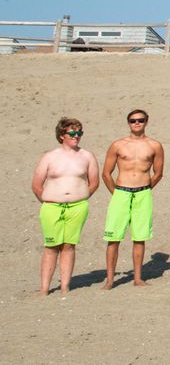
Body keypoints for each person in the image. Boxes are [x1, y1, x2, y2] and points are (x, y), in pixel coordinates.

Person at [32, 117, 100, 295]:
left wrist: (81, 196)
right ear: (62, 135)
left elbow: (93, 182)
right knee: (51, 246)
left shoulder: (87, 156)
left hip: (78, 207)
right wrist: (49, 200)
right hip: (52, 207)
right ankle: (44, 288)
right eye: (72, 133)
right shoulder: (49, 157)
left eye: (79, 132)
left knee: (69, 245)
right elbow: (37, 184)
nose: (76, 136)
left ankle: (65, 286)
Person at [101, 108, 164, 289]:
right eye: (133, 120)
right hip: (121, 191)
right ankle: (110, 279)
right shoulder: (118, 145)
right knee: (113, 237)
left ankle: (137, 278)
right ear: (128, 122)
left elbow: (158, 173)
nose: (137, 123)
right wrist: (117, 193)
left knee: (139, 237)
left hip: (143, 193)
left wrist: (145, 189)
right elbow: (106, 173)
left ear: (146, 121)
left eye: (140, 120)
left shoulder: (154, 145)